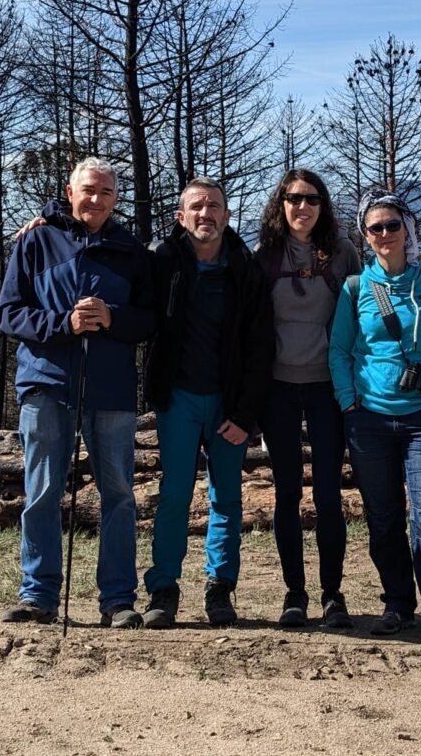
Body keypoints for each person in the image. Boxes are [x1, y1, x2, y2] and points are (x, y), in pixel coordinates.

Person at [0, 157, 155, 628]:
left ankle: (118, 600)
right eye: (88, 190)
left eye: (106, 192)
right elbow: (9, 313)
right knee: (42, 492)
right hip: (46, 383)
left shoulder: (132, 251)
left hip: (111, 389)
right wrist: (62, 324)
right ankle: (38, 596)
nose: (96, 199)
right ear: (70, 192)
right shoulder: (35, 241)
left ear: (116, 199)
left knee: (119, 495)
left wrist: (113, 319)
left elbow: (150, 321)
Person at [328, 192, 421, 648]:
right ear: (365, 237)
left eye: (391, 225)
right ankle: (397, 604)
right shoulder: (355, 289)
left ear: (407, 229)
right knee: (383, 517)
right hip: (369, 419)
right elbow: (340, 350)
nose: (384, 234)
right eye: (375, 228)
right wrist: (350, 402)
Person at [141, 178, 273, 628]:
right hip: (177, 398)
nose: (206, 214)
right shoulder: (162, 261)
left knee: (227, 499)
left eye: (214, 206)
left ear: (227, 215)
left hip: (227, 404)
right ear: (181, 217)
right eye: (196, 207)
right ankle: (163, 588)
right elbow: (115, 263)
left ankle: (220, 589)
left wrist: (245, 414)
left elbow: (260, 348)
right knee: (174, 496)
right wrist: (48, 219)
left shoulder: (245, 267)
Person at [255, 169, 361, 629]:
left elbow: (364, 317)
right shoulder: (262, 257)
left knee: (328, 495)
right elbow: (249, 329)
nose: (303, 207)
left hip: (327, 387)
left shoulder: (343, 254)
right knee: (286, 494)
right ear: (281, 204)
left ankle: (332, 594)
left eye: (312, 199)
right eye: (294, 198)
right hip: (277, 388)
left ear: (323, 206)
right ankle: (294, 594)